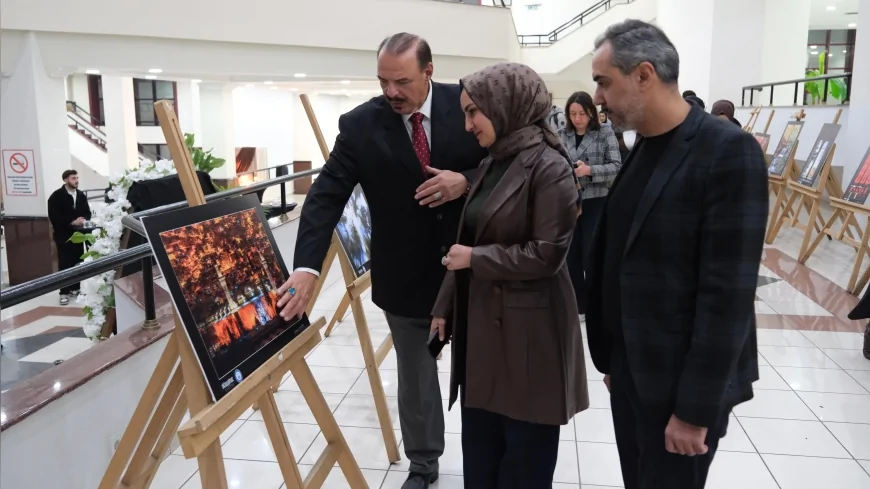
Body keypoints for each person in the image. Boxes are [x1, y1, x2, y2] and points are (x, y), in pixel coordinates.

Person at [277, 32, 486, 489]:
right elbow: (326, 195)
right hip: (404, 276)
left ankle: (487, 462)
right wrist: (308, 266)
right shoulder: (360, 125)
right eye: (383, 81)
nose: (391, 92)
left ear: (429, 72)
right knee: (416, 378)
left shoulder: (469, 104)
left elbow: (509, 163)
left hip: (474, 271)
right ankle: (424, 465)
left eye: (402, 81)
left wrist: (465, 181)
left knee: (482, 374)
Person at [587, 20, 768, 489]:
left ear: (643, 75)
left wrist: (694, 411)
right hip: (633, 374)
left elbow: (727, 296)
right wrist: (616, 362)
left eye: (604, 82)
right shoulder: (643, 146)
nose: (598, 98)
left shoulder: (727, 151)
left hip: (681, 390)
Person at [431, 62, 588, 489]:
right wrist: (445, 306)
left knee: (523, 458)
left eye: (473, 112)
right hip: (482, 332)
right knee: (481, 454)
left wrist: (477, 259)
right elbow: (467, 239)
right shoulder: (492, 163)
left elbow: (547, 255)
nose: (467, 125)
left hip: (529, 336)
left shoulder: (550, 167)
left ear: (505, 107)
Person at [559, 91, 621, 313]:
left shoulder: (604, 132)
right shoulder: (561, 134)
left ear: (591, 114)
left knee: (591, 254)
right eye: (573, 114)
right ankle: (578, 303)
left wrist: (589, 170)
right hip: (569, 201)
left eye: (582, 114)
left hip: (596, 200)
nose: (577, 119)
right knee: (571, 254)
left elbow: (616, 166)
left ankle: (597, 301)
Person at [47, 169, 92, 305]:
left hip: (79, 235)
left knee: (77, 261)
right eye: (73, 178)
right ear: (66, 180)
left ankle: (75, 288)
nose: (76, 180)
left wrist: (83, 219)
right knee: (65, 263)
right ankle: (64, 292)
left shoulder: (81, 195)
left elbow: (87, 212)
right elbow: (54, 217)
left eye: (77, 177)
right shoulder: (56, 196)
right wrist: (72, 222)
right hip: (64, 235)